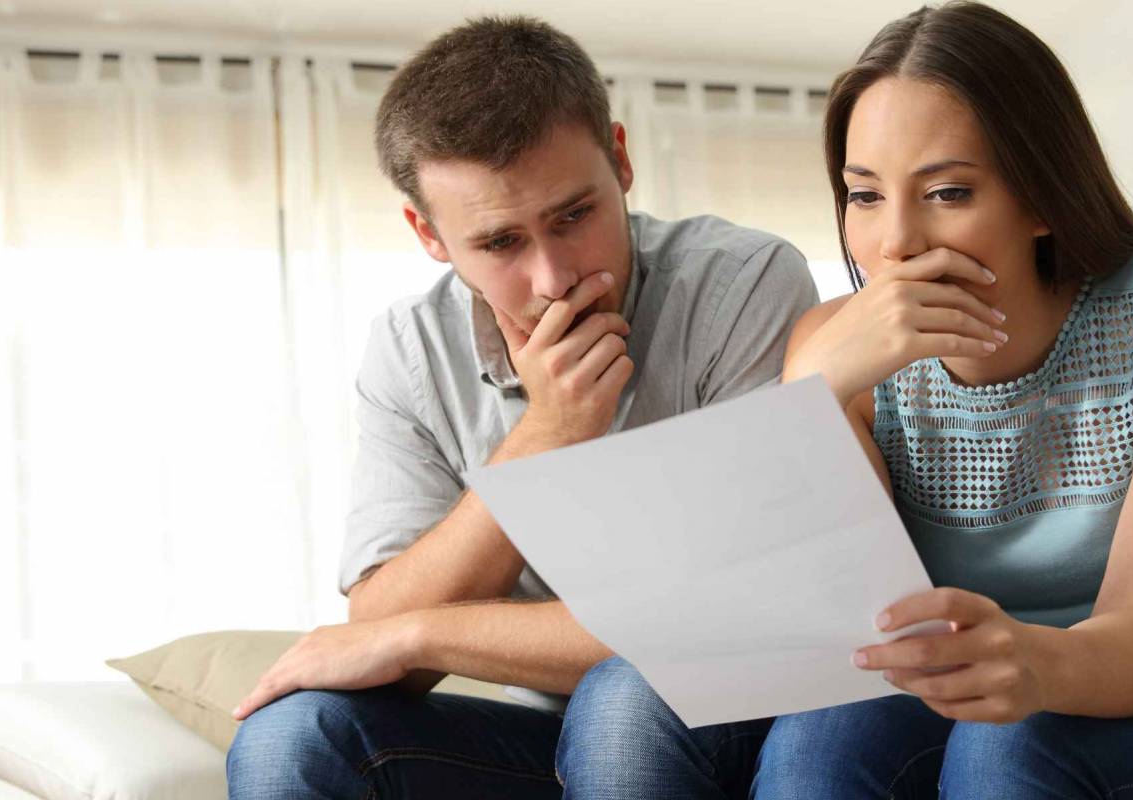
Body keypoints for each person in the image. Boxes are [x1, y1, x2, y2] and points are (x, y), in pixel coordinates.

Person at [558, 3, 1133, 798]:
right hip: (963, 700)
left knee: (1009, 744)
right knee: (801, 738)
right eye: (864, 196)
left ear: (1043, 194)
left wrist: (1032, 661)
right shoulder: (833, 347)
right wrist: (808, 398)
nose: (895, 242)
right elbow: (819, 626)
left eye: (948, 192)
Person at [222, 16, 818, 800]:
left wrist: (420, 632)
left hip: (745, 718)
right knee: (291, 739)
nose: (553, 277)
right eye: (501, 243)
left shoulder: (741, 285)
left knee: (627, 697)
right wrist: (547, 434)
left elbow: (730, 623)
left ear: (623, 159)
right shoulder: (410, 353)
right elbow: (377, 627)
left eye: (575, 216)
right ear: (429, 234)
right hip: (557, 738)